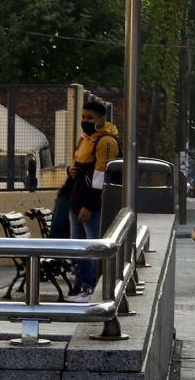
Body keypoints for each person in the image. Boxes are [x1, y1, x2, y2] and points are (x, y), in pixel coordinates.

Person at [66, 100, 120, 303]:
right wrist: (70, 171)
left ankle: (91, 289)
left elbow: (100, 178)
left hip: (91, 204)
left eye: (89, 118)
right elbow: (80, 165)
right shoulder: (86, 139)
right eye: (83, 117)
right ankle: (82, 286)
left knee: (91, 248)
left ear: (101, 119)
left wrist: (89, 205)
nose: (85, 121)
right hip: (76, 200)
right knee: (79, 248)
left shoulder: (106, 141)